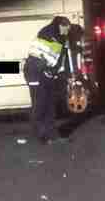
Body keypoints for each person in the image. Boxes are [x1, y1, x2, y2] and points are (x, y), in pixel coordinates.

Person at [23, 15, 71, 144]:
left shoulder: (60, 38)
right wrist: (47, 72)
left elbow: (59, 61)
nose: (67, 31)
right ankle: (41, 136)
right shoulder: (47, 34)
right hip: (35, 74)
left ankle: (52, 135)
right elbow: (39, 58)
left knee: (50, 106)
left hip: (45, 74)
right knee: (40, 105)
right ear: (60, 26)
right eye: (66, 28)